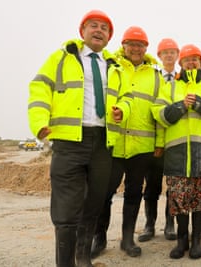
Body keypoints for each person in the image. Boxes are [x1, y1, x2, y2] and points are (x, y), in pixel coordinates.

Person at [28, 10, 131, 267]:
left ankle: (83, 258)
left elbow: (127, 97)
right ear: (82, 31)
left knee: (94, 202)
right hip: (69, 142)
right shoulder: (61, 58)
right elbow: (39, 88)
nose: (99, 31)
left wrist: (123, 110)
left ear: (109, 37)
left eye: (104, 28)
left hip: (102, 143)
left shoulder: (115, 67)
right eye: (93, 26)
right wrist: (39, 123)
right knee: (66, 209)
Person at [151, 44, 201, 259]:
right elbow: (158, 114)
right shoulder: (170, 88)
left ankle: (196, 240)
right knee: (179, 199)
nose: (191, 63)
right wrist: (180, 106)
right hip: (177, 154)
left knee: (200, 198)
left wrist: (199, 104)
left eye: (195, 59)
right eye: (187, 60)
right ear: (181, 63)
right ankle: (181, 240)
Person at [90, 26, 163, 258]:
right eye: (131, 44)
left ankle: (127, 238)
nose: (135, 48)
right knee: (105, 193)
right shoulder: (112, 68)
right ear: (123, 46)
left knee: (134, 193)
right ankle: (98, 238)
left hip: (142, 147)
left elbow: (159, 110)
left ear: (146, 48)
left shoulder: (155, 75)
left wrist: (159, 142)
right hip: (114, 144)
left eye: (140, 45)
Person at [138, 38, 180, 242]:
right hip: (154, 141)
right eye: (166, 52)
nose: (169, 55)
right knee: (152, 185)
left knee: (173, 186)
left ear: (177, 55)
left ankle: (170, 224)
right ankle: (149, 224)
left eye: (173, 52)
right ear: (160, 56)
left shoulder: (182, 80)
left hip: (175, 142)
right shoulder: (153, 78)